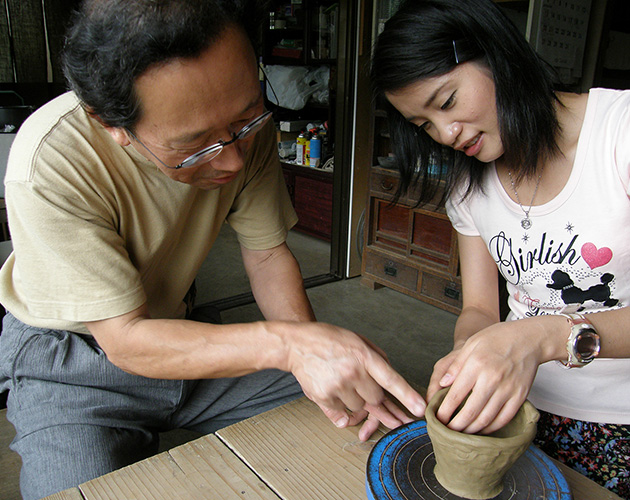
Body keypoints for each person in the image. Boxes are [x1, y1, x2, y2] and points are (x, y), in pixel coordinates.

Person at [0, 1, 427, 498]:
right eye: (195, 145)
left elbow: (267, 255)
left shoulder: (239, 130)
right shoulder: (52, 161)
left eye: (247, 119)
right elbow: (125, 340)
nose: (231, 159)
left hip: (182, 332)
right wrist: (293, 346)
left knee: (373, 422)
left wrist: (318, 358)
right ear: (112, 124)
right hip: (74, 362)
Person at [371, 0, 630, 497]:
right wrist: (467, 352)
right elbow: (479, 308)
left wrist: (544, 338)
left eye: (446, 102)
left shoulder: (616, 136)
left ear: (495, 52)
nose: (446, 135)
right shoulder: (470, 185)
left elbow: (533, 336)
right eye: (423, 125)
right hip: (514, 409)